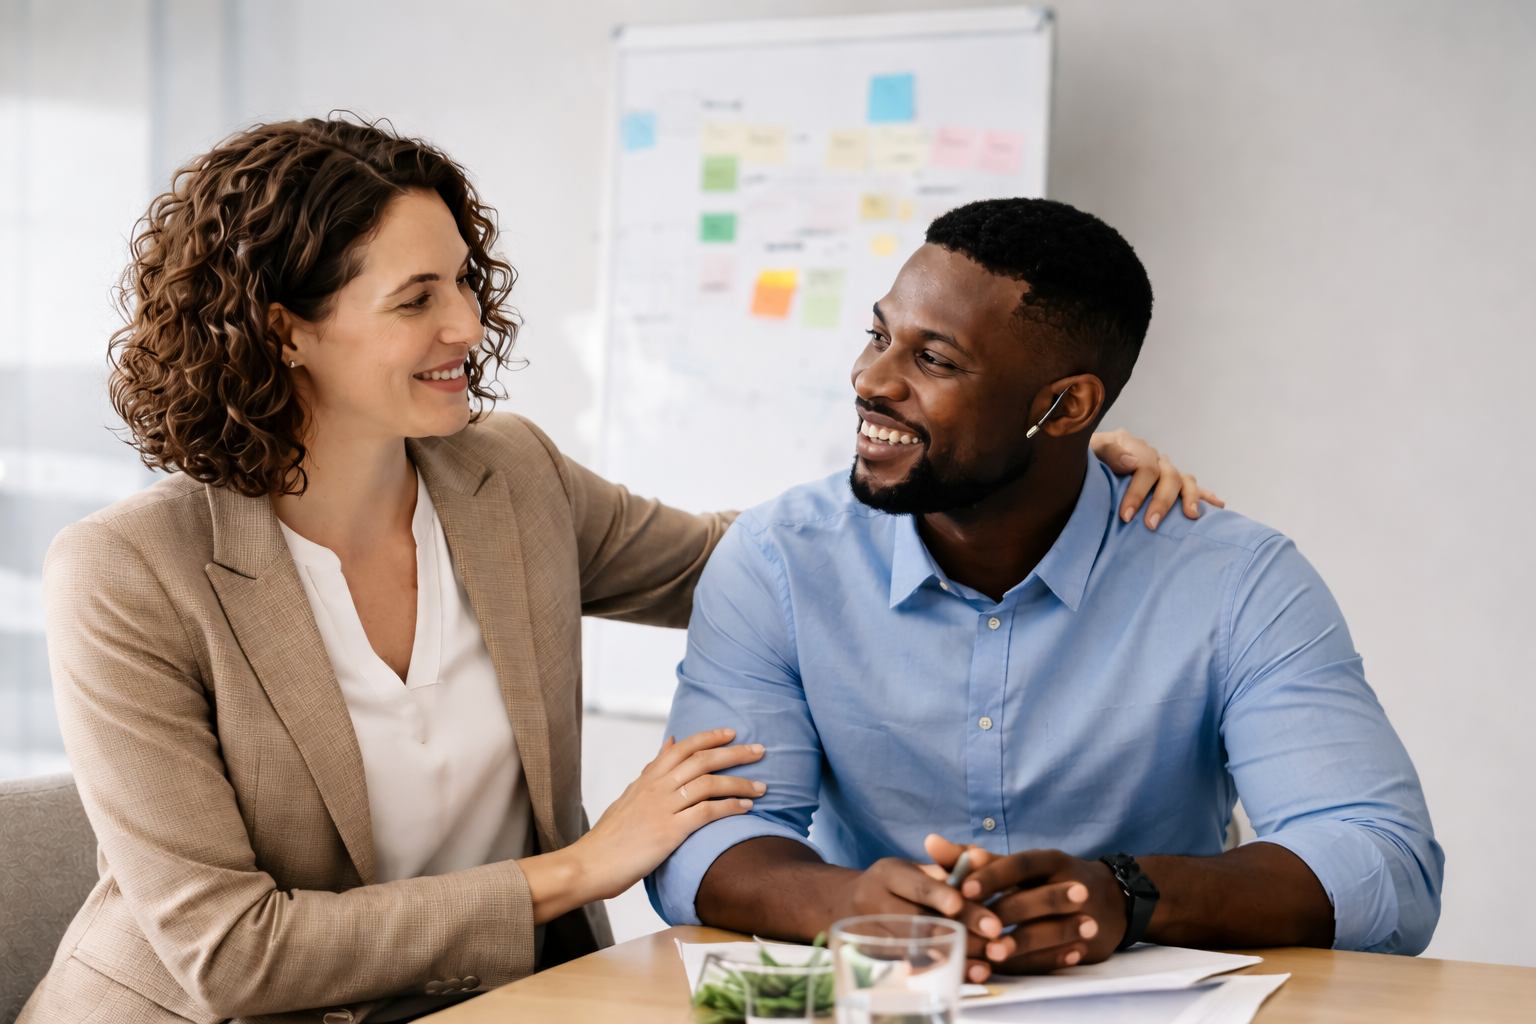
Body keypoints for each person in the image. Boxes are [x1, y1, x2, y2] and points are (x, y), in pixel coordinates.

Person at [20, 121, 1202, 1024]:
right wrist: (582, 867)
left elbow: (748, 561)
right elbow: (234, 953)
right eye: (415, 298)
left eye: (466, 283)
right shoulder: (128, 574)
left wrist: (1027, 466)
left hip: (495, 1006)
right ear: (284, 329)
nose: (470, 327)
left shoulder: (504, 476)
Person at [650, 198, 1442, 981]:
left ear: (1067, 406)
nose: (871, 379)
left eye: (933, 360)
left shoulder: (1238, 582)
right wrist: (845, 902)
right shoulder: (777, 561)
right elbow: (699, 840)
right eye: (879, 335)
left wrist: (1130, 894)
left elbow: (1382, 862)